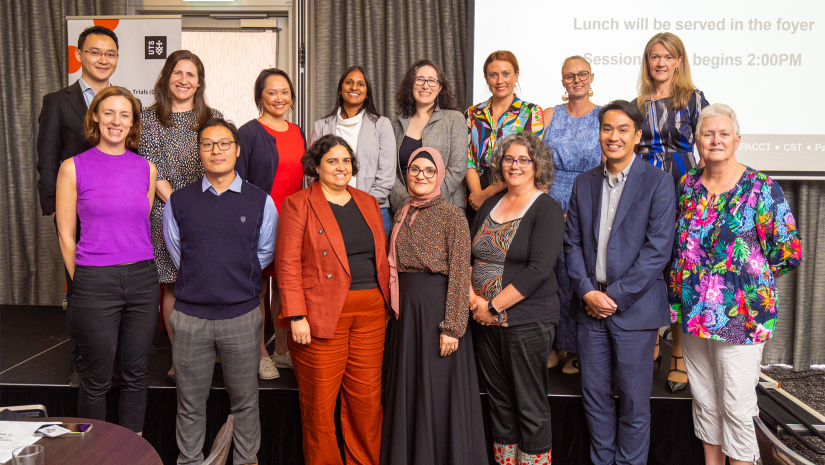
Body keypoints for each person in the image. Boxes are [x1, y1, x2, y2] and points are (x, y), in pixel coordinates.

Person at [669, 104, 801, 465]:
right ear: (696, 142)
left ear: (737, 140)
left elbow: (788, 251)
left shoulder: (761, 188)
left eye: (723, 134)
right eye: (707, 134)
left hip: (740, 317)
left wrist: (745, 281)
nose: (715, 140)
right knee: (706, 400)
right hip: (694, 312)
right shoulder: (689, 185)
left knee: (737, 406)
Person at [564, 100, 676, 465]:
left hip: (634, 310)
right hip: (589, 307)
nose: (613, 136)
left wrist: (612, 297)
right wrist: (587, 291)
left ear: (637, 136)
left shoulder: (658, 182)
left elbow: (658, 251)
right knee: (595, 400)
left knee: (633, 404)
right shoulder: (584, 183)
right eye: (607, 129)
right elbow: (573, 243)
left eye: (623, 130)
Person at [162, 118, 277, 465]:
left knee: (245, 401)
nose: (216, 150)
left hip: (241, 317)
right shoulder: (179, 201)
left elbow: (264, 252)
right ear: (199, 152)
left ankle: (245, 461)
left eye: (224, 143)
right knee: (190, 403)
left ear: (237, 150)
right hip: (190, 318)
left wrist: (232, 277)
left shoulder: (261, 201)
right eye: (208, 144)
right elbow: (179, 252)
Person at [275, 135, 390, 465]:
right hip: (321, 314)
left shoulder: (367, 201)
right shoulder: (299, 203)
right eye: (332, 161)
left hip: (370, 313)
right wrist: (296, 316)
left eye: (346, 161)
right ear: (316, 166)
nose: (341, 167)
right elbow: (287, 262)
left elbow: (380, 256)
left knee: (366, 402)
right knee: (320, 406)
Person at [55, 86, 158, 433]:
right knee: (96, 377)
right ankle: (94, 453)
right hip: (94, 280)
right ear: (95, 116)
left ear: (133, 123)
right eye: (109, 112)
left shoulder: (147, 168)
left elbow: (137, 222)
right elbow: (66, 234)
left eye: (124, 114)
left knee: (136, 374)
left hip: (144, 279)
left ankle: (133, 450)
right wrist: (82, 278)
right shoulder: (73, 167)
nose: (116, 121)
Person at [382, 147, 486, 464]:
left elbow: (459, 273)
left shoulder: (453, 215)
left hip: (437, 311)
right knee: (410, 391)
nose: (421, 176)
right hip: (407, 315)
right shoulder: (401, 211)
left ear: (439, 175)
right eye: (415, 170)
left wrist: (452, 328)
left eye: (429, 171)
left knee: (438, 393)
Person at [469, 133, 564, 465]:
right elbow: (471, 259)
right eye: (509, 159)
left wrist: (492, 306)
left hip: (526, 321)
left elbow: (538, 269)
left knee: (529, 405)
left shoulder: (546, 208)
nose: (515, 165)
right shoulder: (490, 205)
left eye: (524, 160)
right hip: (484, 321)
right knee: (500, 402)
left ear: (537, 166)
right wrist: (474, 302)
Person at [37, 25, 119, 387]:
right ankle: (80, 362)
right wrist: (57, 210)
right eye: (95, 52)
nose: (103, 59)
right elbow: (47, 159)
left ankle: (114, 359)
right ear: (80, 56)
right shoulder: (58, 101)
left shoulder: (122, 100)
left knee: (116, 286)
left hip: (117, 214)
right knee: (80, 287)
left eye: (110, 54)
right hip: (79, 212)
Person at [139, 50, 222, 384]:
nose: (183, 80)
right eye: (177, 73)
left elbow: (220, 164)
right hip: (165, 212)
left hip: (209, 211)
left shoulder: (212, 117)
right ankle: (180, 358)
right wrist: (182, 209)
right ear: (166, 76)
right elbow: (151, 168)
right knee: (174, 284)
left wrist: (202, 212)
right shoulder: (148, 118)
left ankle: (209, 353)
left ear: (199, 82)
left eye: (191, 75)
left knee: (206, 282)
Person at [633, 32, 709, 391]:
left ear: (679, 61)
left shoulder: (693, 99)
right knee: (646, 266)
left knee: (676, 269)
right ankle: (650, 346)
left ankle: (678, 351)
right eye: (654, 56)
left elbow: (708, 148)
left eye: (667, 56)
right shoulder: (637, 102)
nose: (660, 62)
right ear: (647, 62)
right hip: (644, 186)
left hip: (683, 186)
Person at [237, 68, 306, 379]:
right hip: (259, 221)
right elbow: (238, 182)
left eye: (285, 92)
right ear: (260, 97)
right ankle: (259, 354)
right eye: (272, 92)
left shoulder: (298, 131)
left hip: (292, 221)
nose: (279, 98)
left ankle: (281, 352)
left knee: (285, 286)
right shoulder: (248, 132)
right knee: (259, 290)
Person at [543, 55, 604, 374]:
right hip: (551, 201)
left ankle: (580, 348)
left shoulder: (603, 116)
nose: (576, 80)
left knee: (581, 275)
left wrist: (582, 211)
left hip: (590, 201)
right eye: (570, 76)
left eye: (582, 74)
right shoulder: (549, 114)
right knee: (552, 277)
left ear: (591, 77)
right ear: (563, 81)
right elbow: (535, 161)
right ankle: (556, 345)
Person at [309, 65, 396, 235]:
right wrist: (331, 201)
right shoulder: (321, 127)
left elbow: (386, 175)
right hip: (328, 208)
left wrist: (361, 203)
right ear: (341, 90)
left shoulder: (381, 125)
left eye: (360, 84)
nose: (354, 87)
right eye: (349, 82)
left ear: (367, 92)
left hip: (373, 208)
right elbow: (311, 171)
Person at [465, 51, 544, 226]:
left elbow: (529, 160)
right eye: (493, 75)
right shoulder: (472, 113)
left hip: (513, 189)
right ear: (486, 78)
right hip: (475, 193)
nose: (500, 81)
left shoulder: (531, 112)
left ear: (516, 75)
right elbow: (468, 159)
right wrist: (478, 196)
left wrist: (486, 195)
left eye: (506, 74)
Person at [389, 59, 467, 211]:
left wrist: (429, 203)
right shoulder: (395, 126)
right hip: (406, 210)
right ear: (411, 85)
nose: (425, 86)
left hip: (446, 209)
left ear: (439, 88)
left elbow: (458, 168)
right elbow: (390, 173)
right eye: (420, 80)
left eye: (432, 81)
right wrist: (407, 204)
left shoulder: (454, 119)